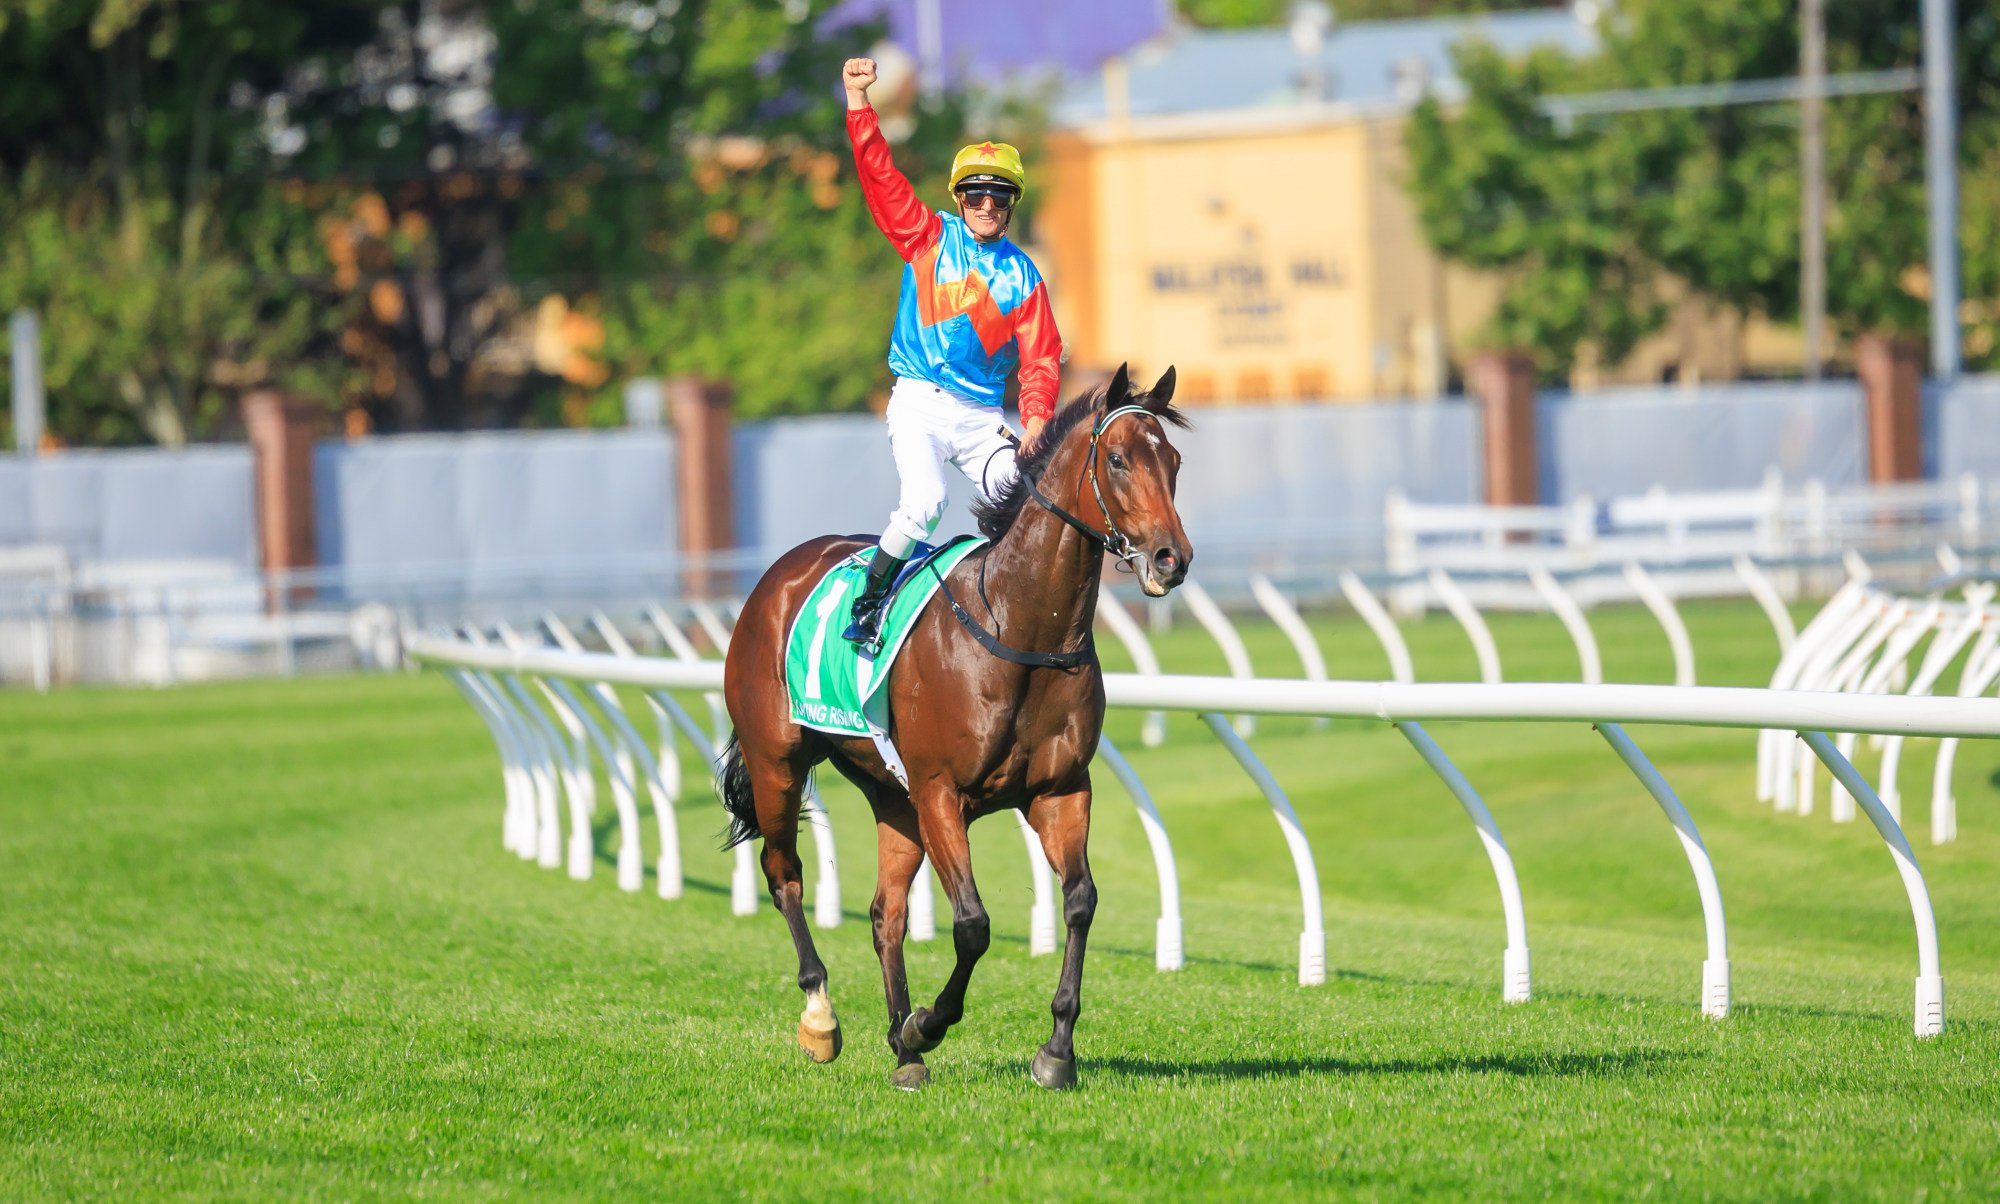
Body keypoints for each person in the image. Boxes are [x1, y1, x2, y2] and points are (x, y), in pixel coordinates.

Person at [838, 55, 1063, 649]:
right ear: (960, 198)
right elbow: (880, 179)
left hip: (982, 419)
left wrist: (1036, 418)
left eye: (997, 197)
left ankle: (1018, 625)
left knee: (1032, 501)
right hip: (919, 406)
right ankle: (869, 602)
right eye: (976, 195)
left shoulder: (1025, 276)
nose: (986, 206)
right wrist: (859, 106)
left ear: (1011, 203)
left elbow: (1042, 357)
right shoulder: (927, 236)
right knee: (926, 503)